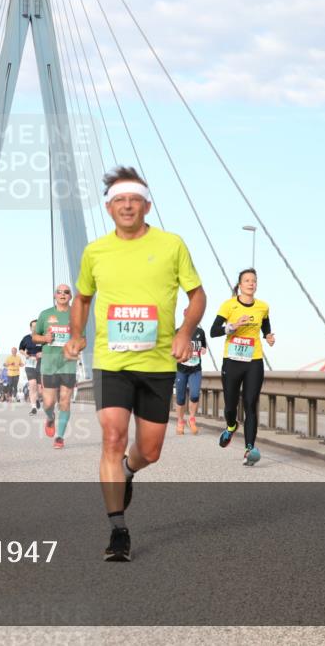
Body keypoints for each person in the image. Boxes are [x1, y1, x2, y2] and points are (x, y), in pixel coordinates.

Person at [64, 165, 205, 562]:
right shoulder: (95, 251)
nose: (127, 206)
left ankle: (128, 470)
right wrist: (77, 335)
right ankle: (118, 531)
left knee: (150, 451)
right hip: (112, 361)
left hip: (158, 363)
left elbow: (197, 295)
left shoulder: (171, 245)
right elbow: (83, 299)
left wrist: (184, 331)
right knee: (112, 435)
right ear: (109, 208)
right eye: (119, 200)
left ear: (147, 204)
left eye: (134, 199)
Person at [210, 268, 274, 466]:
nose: (251, 283)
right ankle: (230, 426)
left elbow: (265, 325)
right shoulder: (229, 305)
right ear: (240, 284)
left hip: (254, 361)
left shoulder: (263, 307)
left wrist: (269, 336)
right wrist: (232, 326)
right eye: (247, 280)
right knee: (230, 406)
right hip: (232, 361)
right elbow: (213, 331)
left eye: (254, 280)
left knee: (250, 404)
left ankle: (249, 450)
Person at [33, 285, 79, 449]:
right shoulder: (45, 314)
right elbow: (34, 337)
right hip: (50, 365)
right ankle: (50, 417)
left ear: (70, 296)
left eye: (66, 292)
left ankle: (59, 437)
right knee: (48, 403)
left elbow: (82, 340)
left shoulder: (76, 314)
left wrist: (75, 348)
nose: (62, 294)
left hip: (68, 364)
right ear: (54, 295)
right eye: (59, 292)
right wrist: (44, 338)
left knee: (65, 401)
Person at [174, 308, 207, 435]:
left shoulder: (200, 332)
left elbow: (203, 346)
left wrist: (203, 350)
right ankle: (180, 422)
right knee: (181, 398)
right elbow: (173, 350)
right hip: (181, 369)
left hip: (195, 369)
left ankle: (192, 419)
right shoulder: (178, 332)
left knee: (194, 395)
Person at [20, 320, 43, 415]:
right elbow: (21, 349)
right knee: (32, 384)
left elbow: (49, 349)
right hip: (30, 363)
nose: (35, 328)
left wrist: (43, 353)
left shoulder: (43, 338)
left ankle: (37, 399)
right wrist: (27, 355)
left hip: (41, 363)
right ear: (30, 328)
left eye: (37, 326)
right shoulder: (26, 338)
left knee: (40, 390)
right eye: (33, 326)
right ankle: (33, 407)